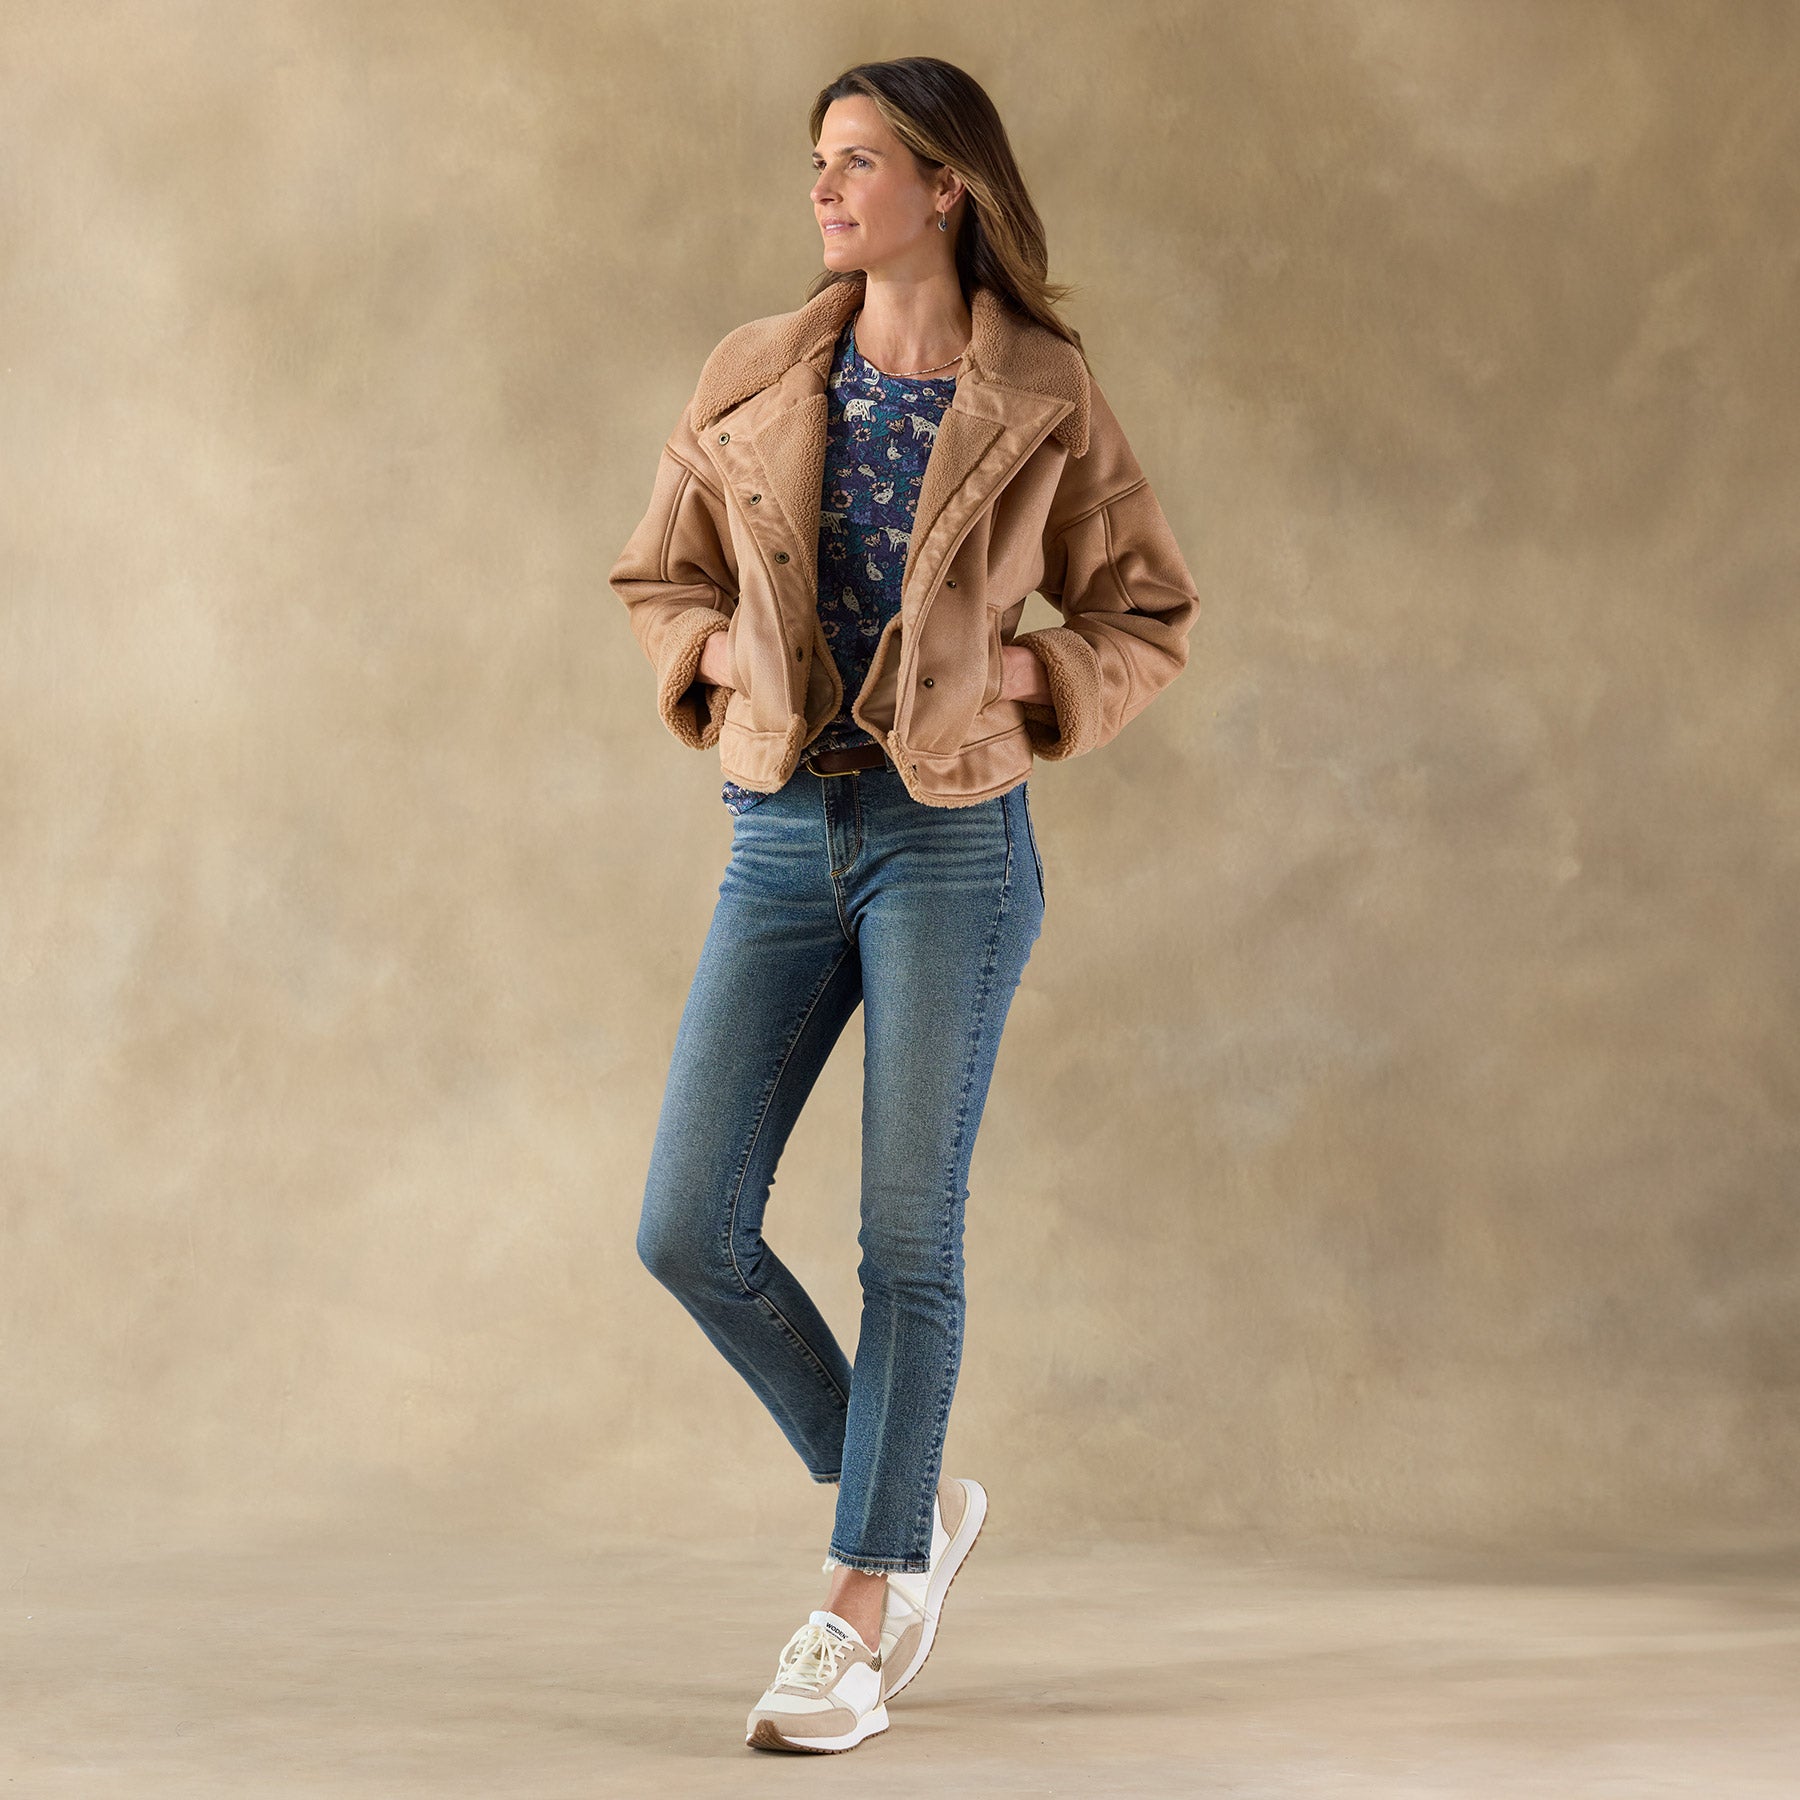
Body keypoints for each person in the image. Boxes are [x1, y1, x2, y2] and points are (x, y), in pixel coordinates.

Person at [609, 55, 1202, 1754]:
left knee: (906, 1238)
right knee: (687, 1223)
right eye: (819, 160)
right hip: (780, 830)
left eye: (859, 160)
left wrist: (1030, 675)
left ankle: (857, 1611)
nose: (824, 188)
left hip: (953, 845)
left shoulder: (1046, 393)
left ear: (948, 185)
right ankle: (909, 1493)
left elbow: (1146, 611)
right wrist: (716, 656)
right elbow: (662, 573)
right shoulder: (754, 372)